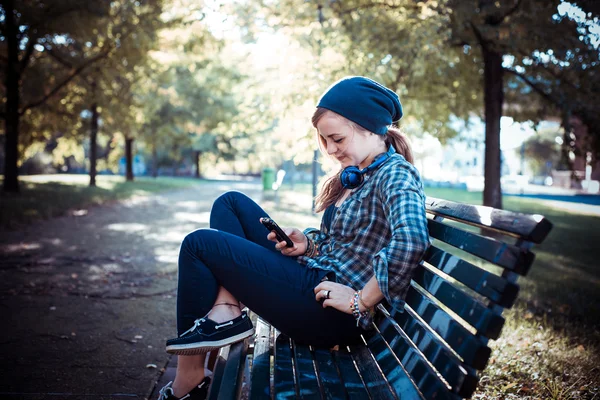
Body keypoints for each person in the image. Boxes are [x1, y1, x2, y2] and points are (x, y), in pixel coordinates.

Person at [157, 76, 430, 400]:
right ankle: (227, 309)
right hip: (314, 281)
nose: (330, 149)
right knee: (229, 203)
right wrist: (308, 244)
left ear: (371, 128)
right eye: (324, 140)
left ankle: (188, 385)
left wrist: (361, 300)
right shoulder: (361, 173)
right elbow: (347, 243)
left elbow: (412, 239)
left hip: (329, 310)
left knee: (199, 245)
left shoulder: (395, 174)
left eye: (337, 138)